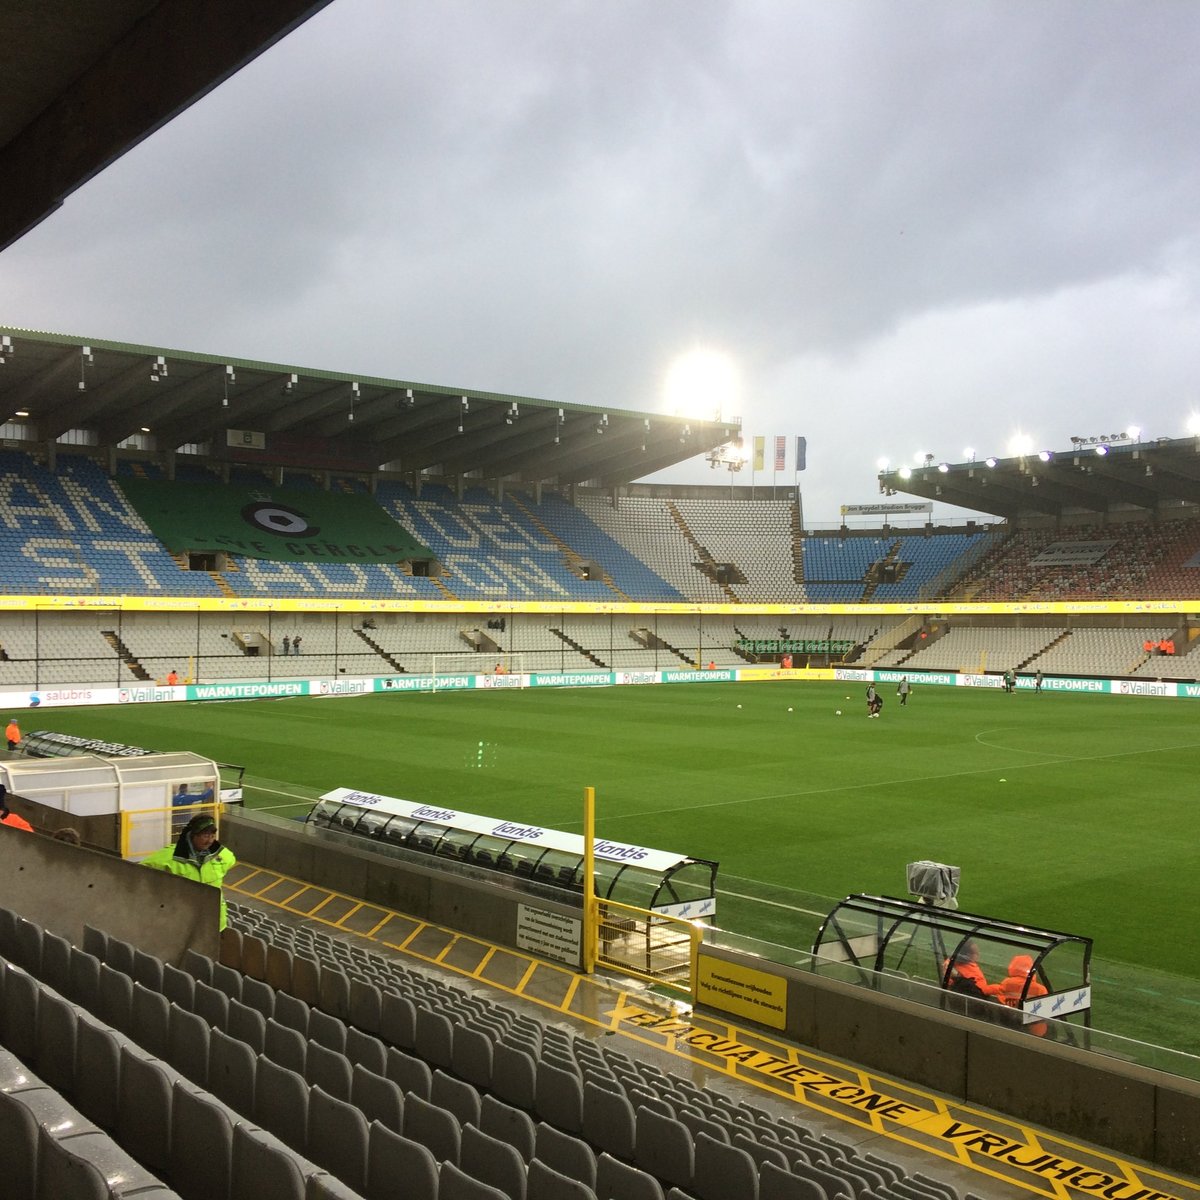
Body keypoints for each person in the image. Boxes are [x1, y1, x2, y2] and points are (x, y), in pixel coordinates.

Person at [141, 813, 236, 930]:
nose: (210, 841)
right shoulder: (169, 858)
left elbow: (231, 861)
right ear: (192, 835)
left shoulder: (223, 855)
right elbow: (141, 873)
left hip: (214, 923)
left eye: (212, 836)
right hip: (182, 923)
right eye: (205, 836)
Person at [998, 953, 1049, 1037]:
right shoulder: (1040, 989)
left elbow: (1000, 996)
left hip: (1009, 1023)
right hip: (1035, 1031)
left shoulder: (1006, 983)